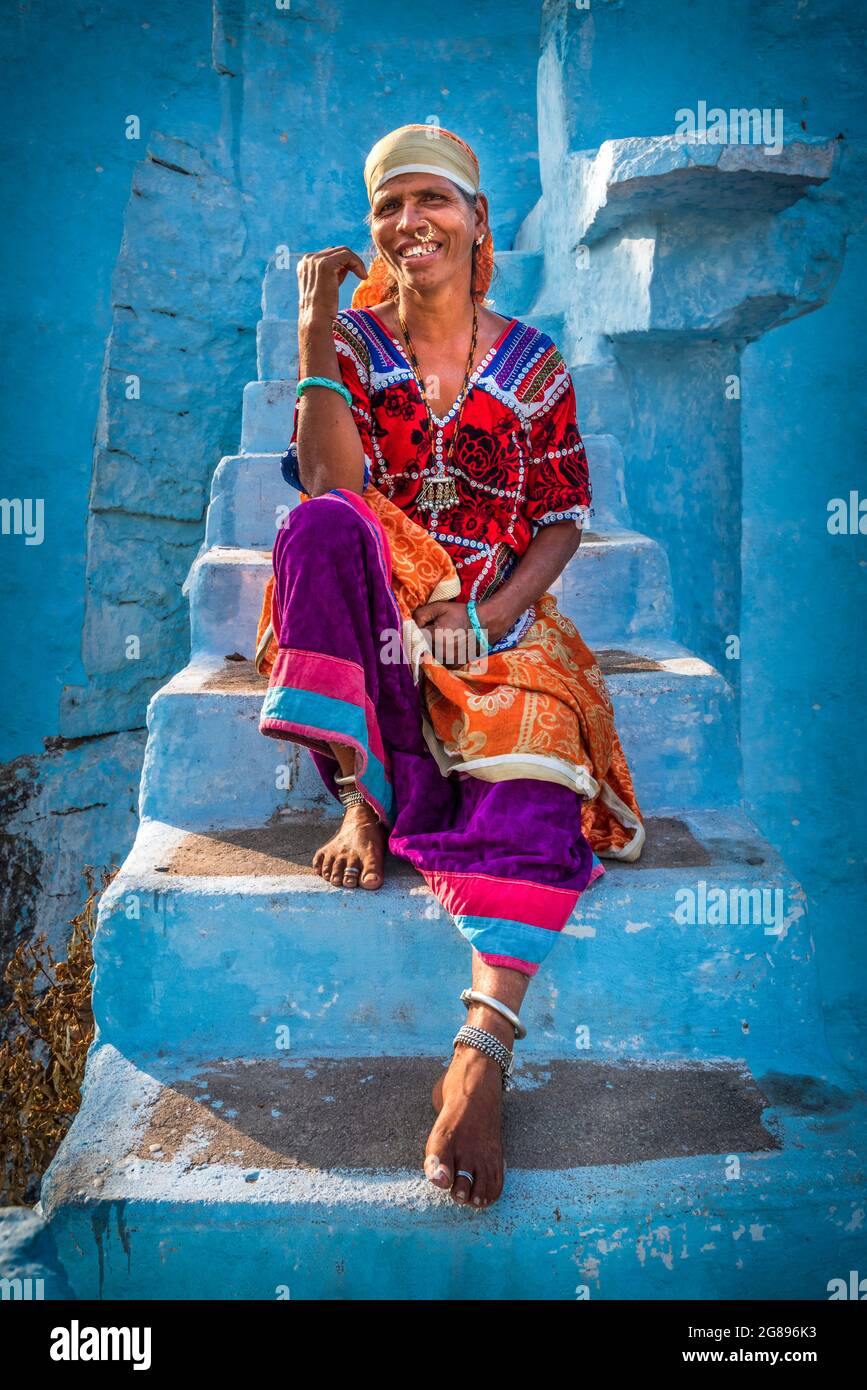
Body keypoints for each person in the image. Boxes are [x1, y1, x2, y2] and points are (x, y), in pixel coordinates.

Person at [256, 123, 643, 1210]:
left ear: (477, 220)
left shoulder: (534, 364)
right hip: (384, 597)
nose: (410, 222)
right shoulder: (356, 349)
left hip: (495, 614)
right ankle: (363, 800)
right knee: (319, 534)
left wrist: (498, 613)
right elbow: (332, 487)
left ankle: (482, 1048)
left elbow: (561, 519)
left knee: (538, 753)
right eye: (389, 206)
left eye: (434, 200)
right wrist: (314, 329)